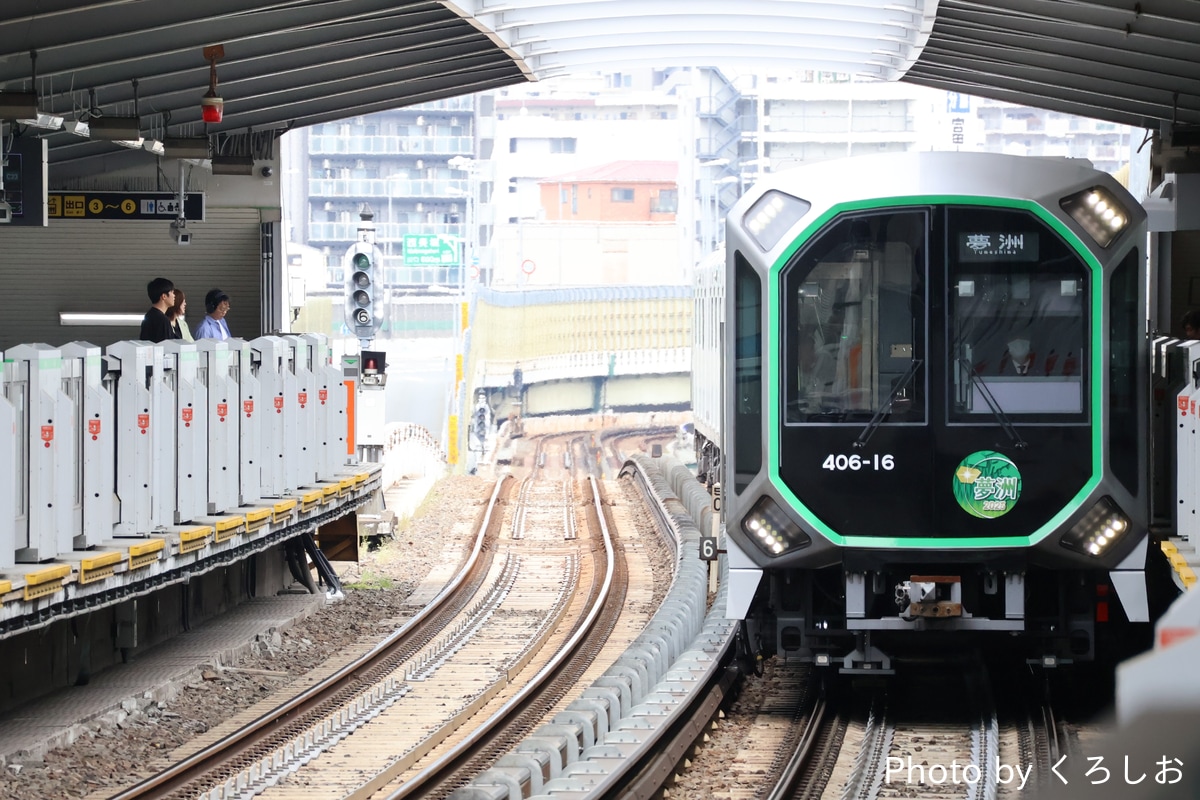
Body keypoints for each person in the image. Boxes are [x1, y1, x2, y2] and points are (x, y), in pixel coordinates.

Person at [139, 277, 178, 343]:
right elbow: (167, 346)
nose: (174, 296)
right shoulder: (163, 320)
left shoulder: (149, 315)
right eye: (172, 292)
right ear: (164, 296)